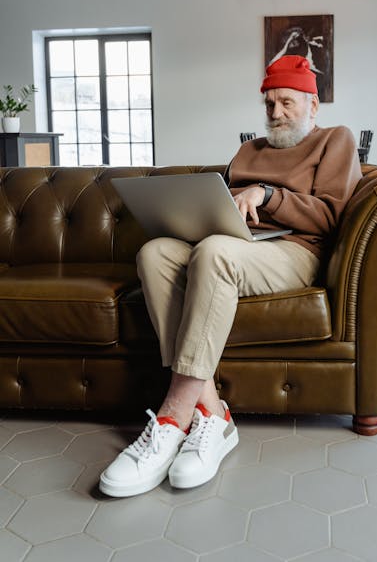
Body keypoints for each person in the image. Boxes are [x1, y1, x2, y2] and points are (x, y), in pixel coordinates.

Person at [99, 54, 362, 498]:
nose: (276, 113)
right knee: (156, 252)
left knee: (215, 253)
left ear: (313, 105)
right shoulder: (248, 150)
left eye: (287, 103)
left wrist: (270, 194)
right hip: (235, 241)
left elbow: (332, 215)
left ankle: (173, 417)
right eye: (270, 104)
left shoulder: (335, 140)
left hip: (294, 249)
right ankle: (214, 415)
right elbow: (222, 202)